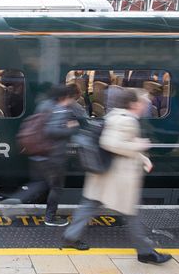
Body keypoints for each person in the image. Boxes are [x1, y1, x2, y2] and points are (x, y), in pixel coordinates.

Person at [63, 88, 172, 264]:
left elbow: (117, 143)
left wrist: (142, 157)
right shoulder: (127, 121)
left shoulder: (113, 115)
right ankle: (145, 252)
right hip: (117, 177)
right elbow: (111, 143)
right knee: (131, 213)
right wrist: (140, 146)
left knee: (89, 204)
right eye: (142, 102)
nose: (145, 106)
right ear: (133, 104)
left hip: (104, 173)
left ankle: (70, 236)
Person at [3, 84, 85, 226]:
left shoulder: (43, 105)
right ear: (63, 97)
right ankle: (50, 218)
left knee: (39, 183)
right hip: (53, 157)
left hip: (36, 154)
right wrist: (71, 128)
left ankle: (17, 199)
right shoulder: (60, 110)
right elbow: (51, 131)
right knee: (56, 188)